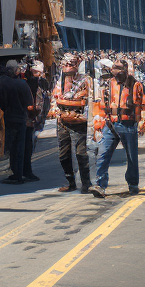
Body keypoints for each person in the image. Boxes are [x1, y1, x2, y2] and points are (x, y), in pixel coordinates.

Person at [90, 56, 145, 198]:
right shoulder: (108, 84)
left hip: (128, 125)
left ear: (125, 70)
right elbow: (101, 106)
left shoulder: (136, 85)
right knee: (102, 154)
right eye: (114, 68)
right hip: (110, 125)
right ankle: (100, 185)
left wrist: (143, 121)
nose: (115, 71)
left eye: (118, 68)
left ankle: (133, 184)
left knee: (131, 157)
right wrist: (98, 124)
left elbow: (144, 104)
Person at [48, 53, 92, 193]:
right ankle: (71, 182)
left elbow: (90, 103)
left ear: (77, 65)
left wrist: (82, 117)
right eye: (66, 65)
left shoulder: (85, 81)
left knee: (81, 153)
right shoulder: (59, 80)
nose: (68, 67)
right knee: (63, 155)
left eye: (71, 64)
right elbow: (54, 99)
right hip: (62, 122)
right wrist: (56, 112)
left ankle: (86, 183)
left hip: (78, 122)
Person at [0, 59, 34, 184]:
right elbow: (29, 103)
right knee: (20, 147)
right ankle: (19, 174)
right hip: (21, 118)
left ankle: (14, 172)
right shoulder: (22, 84)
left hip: (9, 118)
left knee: (11, 148)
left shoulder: (2, 84)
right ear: (16, 71)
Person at [22, 60, 48, 182]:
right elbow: (38, 105)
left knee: (28, 146)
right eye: (35, 72)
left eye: (38, 72)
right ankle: (25, 170)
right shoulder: (33, 84)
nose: (37, 74)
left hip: (34, 120)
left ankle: (23, 169)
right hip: (31, 120)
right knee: (27, 146)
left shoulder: (40, 84)